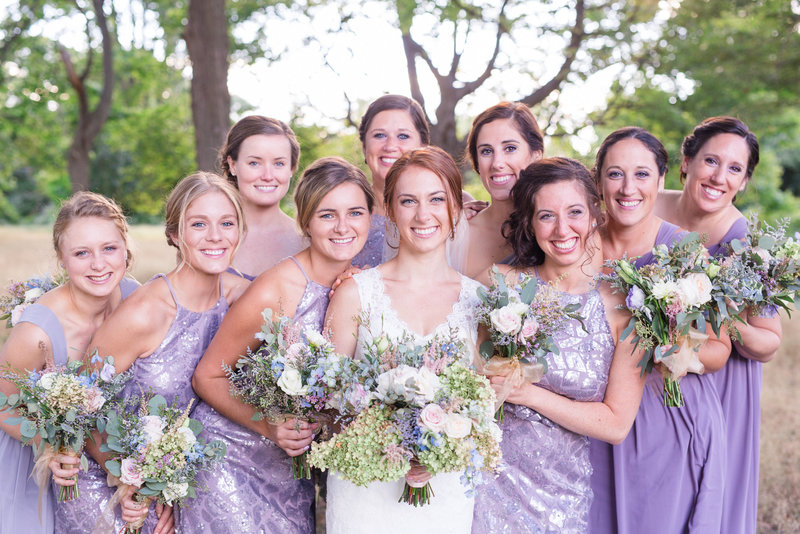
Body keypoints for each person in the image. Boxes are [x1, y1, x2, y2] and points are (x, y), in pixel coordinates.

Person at [188, 157, 374, 533]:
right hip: (232, 460)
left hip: (291, 474)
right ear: (305, 221)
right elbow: (207, 377)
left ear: (371, 217)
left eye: (355, 212)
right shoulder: (277, 289)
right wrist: (270, 424)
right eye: (326, 215)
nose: (343, 227)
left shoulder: (364, 286)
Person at [471, 157, 646, 533]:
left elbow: (616, 423)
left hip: (564, 497)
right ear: (530, 224)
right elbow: (465, 371)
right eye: (546, 215)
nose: (563, 228)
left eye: (575, 212)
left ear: (595, 216)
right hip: (486, 484)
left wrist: (527, 393)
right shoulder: (499, 284)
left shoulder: (623, 307)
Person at [324, 146, 483, 534]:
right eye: (408, 201)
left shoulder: (480, 302)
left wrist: (440, 441)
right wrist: (390, 434)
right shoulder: (355, 293)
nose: (423, 215)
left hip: (444, 494)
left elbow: (483, 404)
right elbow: (326, 400)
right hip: (365, 493)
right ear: (390, 211)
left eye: (436, 199)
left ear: (456, 209)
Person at [587, 127, 732, 533]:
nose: (627, 187)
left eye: (642, 174)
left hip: (669, 417)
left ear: (662, 180)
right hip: (597, 421)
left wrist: (673, 347)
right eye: (615, 174)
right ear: (598, 182)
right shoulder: (577, 246)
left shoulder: (687, 251)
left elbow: (719, 350)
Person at [656, 116, 782, 534]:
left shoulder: (746, 246)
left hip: (723, 384)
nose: (719, 177)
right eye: (711, 161)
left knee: (701, 501)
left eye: (734, 169)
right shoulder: (645, 204)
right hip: (648, 370)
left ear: (744, 181)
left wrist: (717, 316)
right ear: (687, 161)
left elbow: (768, 343)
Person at [0, 192, 138, 534]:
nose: (99, 264)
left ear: (126, 249)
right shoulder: (37, 333)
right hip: (37, 471)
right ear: (62, 260)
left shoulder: (137, 300)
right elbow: (2, 403)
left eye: (109, 248)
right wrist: (49, 448)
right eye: (81, 253)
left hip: (109, 457)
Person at [461, 102, 543, 277]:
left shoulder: (559, 228)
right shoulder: (458, 232)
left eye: (510, 148)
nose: (497, 163)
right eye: (486, 151)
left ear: (536, 154)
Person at [219, 115, 305, 278]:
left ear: (291, 169)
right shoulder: (208, 236)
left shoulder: (309, 241)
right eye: (254, 163)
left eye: (279, 163)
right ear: (233, 165)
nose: (267, 175)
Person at [351, 94, 430, 267]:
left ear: (423, 146)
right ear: (364, 147)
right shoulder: (343, 214)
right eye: (379, 135)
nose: (390, 146)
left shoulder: (452, 208)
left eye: (403, 136)